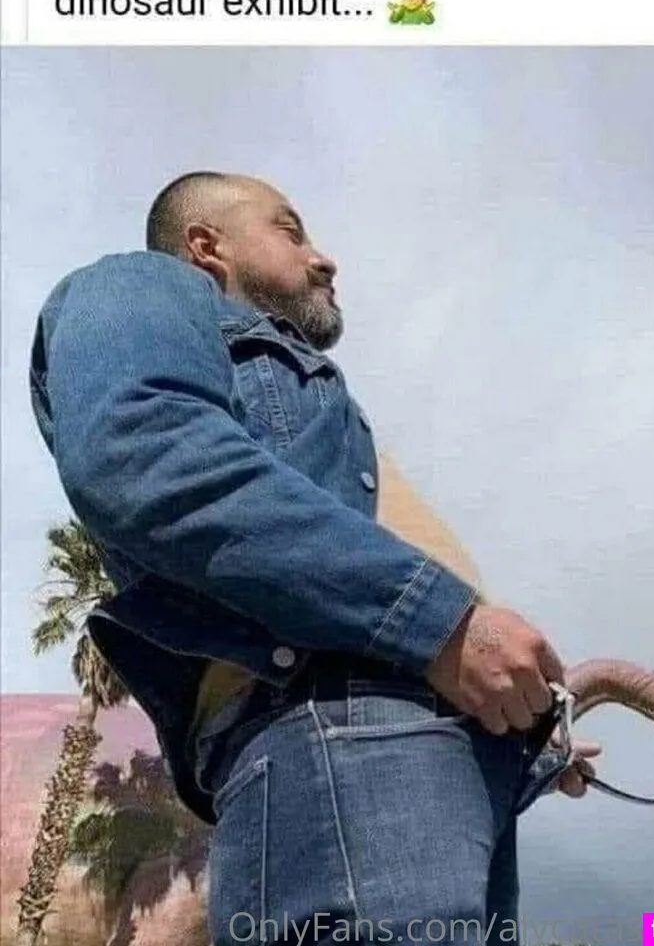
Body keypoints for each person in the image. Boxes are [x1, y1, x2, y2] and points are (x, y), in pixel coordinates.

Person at [29, 171, 600, 946]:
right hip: (337, 726)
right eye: (290, 230)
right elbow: (141, 451)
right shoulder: (140, 284)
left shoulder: (316, 407)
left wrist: (514, 727)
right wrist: (438, 624)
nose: (324, 258)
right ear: (206, 246)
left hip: (411, 756)